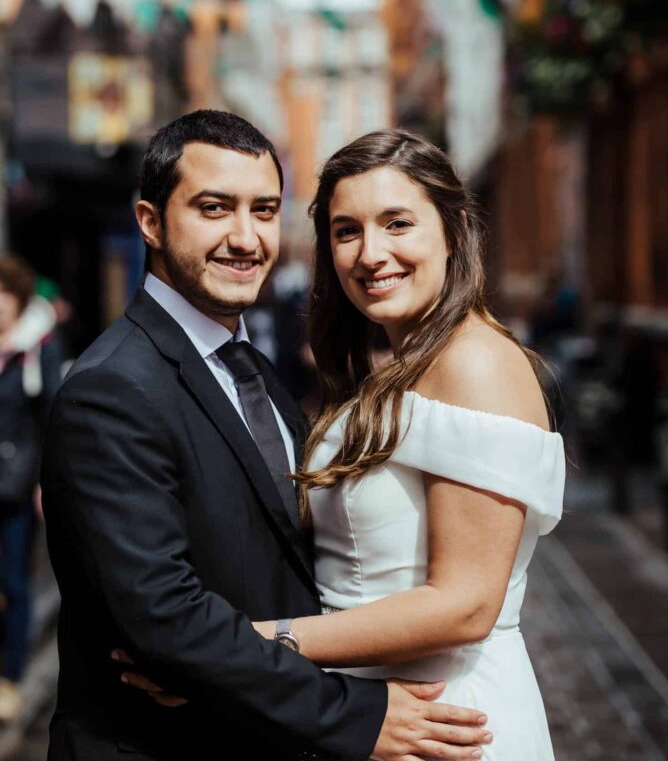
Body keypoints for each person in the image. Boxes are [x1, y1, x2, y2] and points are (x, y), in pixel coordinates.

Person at [40, 111, 491, 761]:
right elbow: (164, 617)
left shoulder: (252, 368)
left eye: (264, 210)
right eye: (214, 209)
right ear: (150, 221)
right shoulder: (112, 389)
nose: (245, 238)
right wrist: (355, 716)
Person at [122, 129, 566, 760]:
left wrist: (244, 649)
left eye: (397, 223)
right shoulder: (400, 367)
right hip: (371, 719)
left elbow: (467, 605)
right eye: (347, 231)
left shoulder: (476, 363)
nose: (370, 253)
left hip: (449, 720)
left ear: (454, 229)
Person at [0, 255, 62, 722]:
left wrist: (44, 478)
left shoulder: (37, 347)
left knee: (15, 583)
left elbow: (50, 419)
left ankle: (12, 679)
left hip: (15, 485)